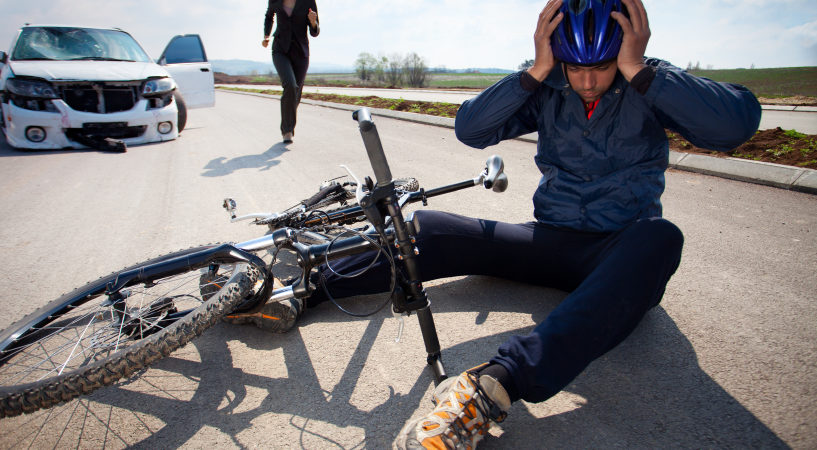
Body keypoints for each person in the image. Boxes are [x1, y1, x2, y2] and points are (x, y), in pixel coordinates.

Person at [255, 0, 762, 447]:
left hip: (621, 251)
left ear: (628, 48)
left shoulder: (648, 81)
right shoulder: (550, 82)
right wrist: (536, 71)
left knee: (662, 239)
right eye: (573, 66)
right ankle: (306, 291)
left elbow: (736, 126)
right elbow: (471, 129)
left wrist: (638, 70)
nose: (586, 80)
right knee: (433, 228)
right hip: (550, 240)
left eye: (602, 66)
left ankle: (494, 386)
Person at [263, 0, 319, 143]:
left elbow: (315, 31)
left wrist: (313, 22)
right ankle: (287, 130)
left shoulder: (308, 1)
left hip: (301, 52)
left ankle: (288, 121)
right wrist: (266, 35)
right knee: (290, 85)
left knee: (296, 93)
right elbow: (269, 16)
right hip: (280, 49)